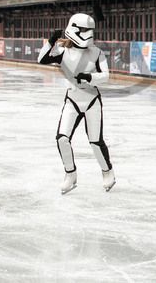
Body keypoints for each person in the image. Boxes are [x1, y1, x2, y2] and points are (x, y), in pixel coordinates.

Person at [38, 13, 115, 194]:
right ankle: (70, 174)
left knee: (95, 141)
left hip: (91, 101)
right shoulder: (63, 51)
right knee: (62, 138)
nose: (87, 34)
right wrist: (50, 41)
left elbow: (106, 76)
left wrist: (90, 77)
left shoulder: (96, 52)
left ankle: (107, 171)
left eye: (90, 30)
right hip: (72, 99)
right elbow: (41, 59)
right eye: (83, 30)